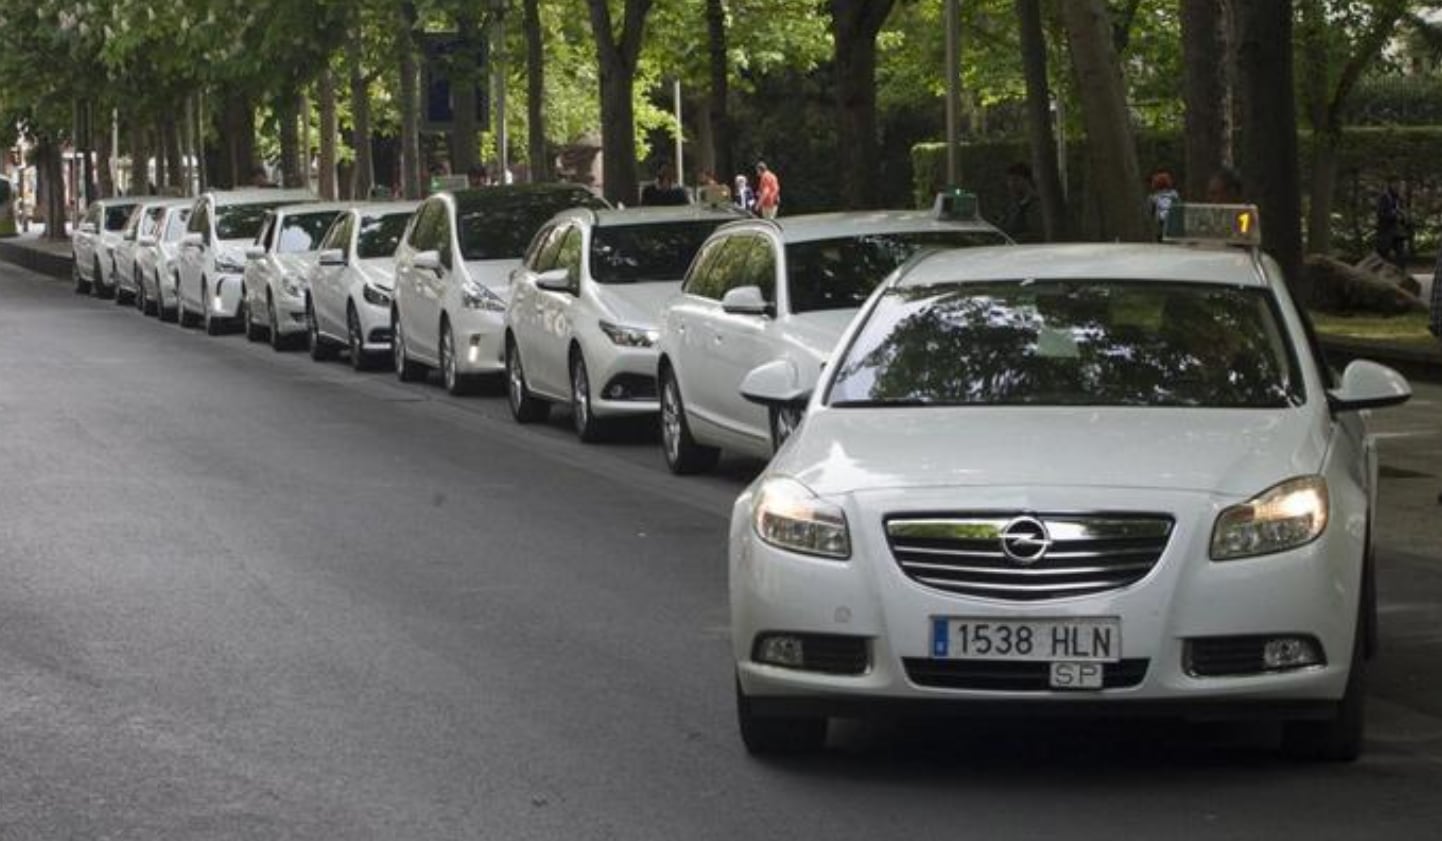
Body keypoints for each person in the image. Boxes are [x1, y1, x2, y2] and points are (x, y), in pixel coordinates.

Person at [1002, 162, 1041, 243]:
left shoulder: (1037, 205)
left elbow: (1037, 233)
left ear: (1027, 180)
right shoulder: (1013, 205)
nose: (1011, 184)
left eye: (1015, 180)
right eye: (1009, 180)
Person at [1376, 177, 1410, 268]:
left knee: (1402, 256)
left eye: (1401, 187)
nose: (1400, 188)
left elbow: (1403, 215)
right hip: (1386, 231)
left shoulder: (1400, 199)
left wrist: (1404, 218)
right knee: (1382, 255)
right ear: (1391, 184)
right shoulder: (1385, 197)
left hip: (1398, 232)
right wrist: (1395, 215)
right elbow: (1381, 214)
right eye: (1397, 185)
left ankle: (1401, 275)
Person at [1147, 170, 1181, 238]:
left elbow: (1150, 213)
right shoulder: (1175, 195)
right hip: (1174, 221)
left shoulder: (1153, 198)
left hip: (1161, 222)